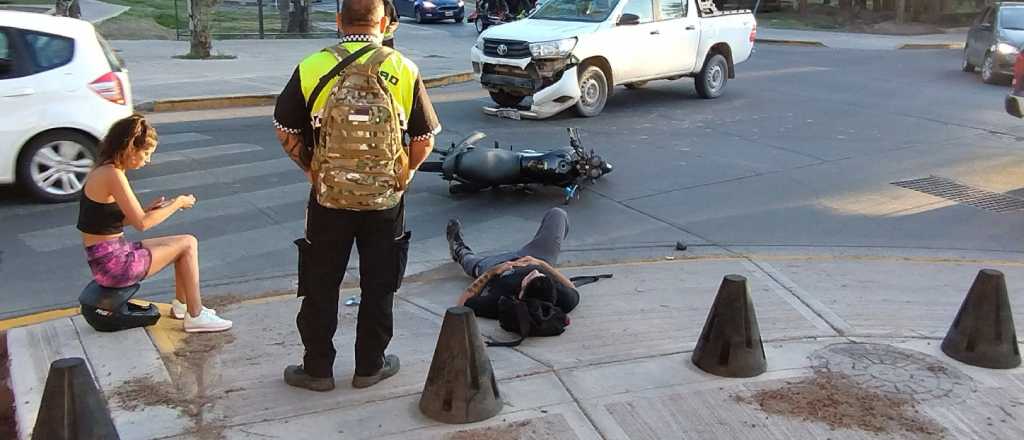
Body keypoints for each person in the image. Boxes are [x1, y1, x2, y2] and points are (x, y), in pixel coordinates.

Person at [274, 0, 441, 392]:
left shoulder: (312, 66)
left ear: (338, 21)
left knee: (320, 283)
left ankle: (317, 369)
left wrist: (313, 172)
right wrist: (405, 174)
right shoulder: (402, 68)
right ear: (382, 23)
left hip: (328, 201)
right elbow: (424, 139)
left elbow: (285, 128)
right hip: (384, 202)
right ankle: (370, 365)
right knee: (379, 284)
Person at [78, 115, 232, 333]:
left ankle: (183, 306)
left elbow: (105, 221)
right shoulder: (113, 174)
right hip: (114, 265)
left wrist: (148, 210)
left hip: (107, 256)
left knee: (183, 242)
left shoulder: (103, 170)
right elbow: (142, 224)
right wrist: (177, 203)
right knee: (188, 243)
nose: (148, 160)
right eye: (146, 153)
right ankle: (195, 316)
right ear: (131, 147)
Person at [448, 208, 580, 319]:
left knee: (472, 264)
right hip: (538, 257)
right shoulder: (564, 299)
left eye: (530, 277)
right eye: (541, 275)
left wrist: (491, 272)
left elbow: (462, 305)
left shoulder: (502, 301)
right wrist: (542, 265)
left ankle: (459, 249)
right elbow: (572, 289)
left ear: (521, 294)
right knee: (558, 214)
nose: (534, 271)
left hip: (499, 266)